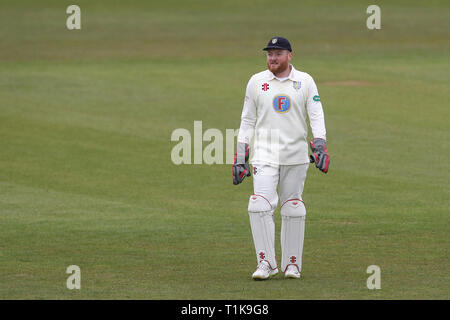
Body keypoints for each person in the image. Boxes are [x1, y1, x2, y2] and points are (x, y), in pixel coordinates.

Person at [232, 36, 330, 280]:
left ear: (290, 56)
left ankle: (292, 264)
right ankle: (265, 263)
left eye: (277, 53)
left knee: (293, 207)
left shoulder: (305, 81)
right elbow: (247, 120)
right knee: (258, 204)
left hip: (295, 155)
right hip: (264, 154)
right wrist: (241, 154)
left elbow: (316, 114)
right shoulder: (256, 82)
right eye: (269, 54)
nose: (272, 58)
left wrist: (320, 145)